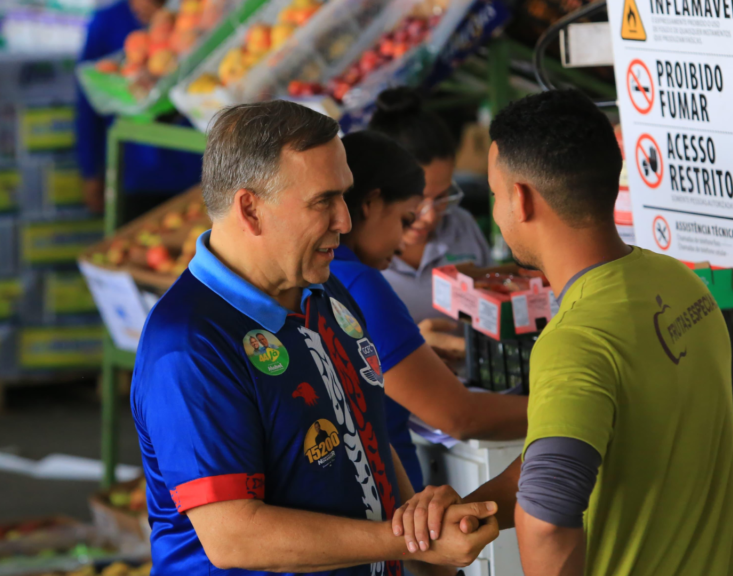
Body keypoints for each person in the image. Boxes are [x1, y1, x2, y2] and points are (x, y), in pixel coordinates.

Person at [130, 101, 499, 575]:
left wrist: (427, 550)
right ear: (251, 209)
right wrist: (408, 543)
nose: (345, 221)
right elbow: (234, 535)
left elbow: (367, 428)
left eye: (344, 197)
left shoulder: (321, 288)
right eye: (323, 201)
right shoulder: (188, 345)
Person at [392, 90, 733, 576]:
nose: (494, 211)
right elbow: (561, 460)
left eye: (494, 195)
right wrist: (473, 509)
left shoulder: (574, 340)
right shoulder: (680, 283)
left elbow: (548, 519)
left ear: (523, 199)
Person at [330, 130, 528, 492]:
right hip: (384, 504)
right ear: (371, 204)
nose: (405, 237)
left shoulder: (319, 274)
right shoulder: (359, 282)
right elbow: (459, 416)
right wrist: (578, 409)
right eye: (405, 220)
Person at [369, 88, 491, 327]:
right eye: (416, 200)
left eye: (442, 196)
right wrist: (412, 351)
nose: (430, 216)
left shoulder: (461, 226)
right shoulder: (351, 257)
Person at [77, 0, 202, 216]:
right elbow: (87, 109)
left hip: (195, 168)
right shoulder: (106, 23)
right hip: (134, 174)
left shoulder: (190, 15)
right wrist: (90, 172)